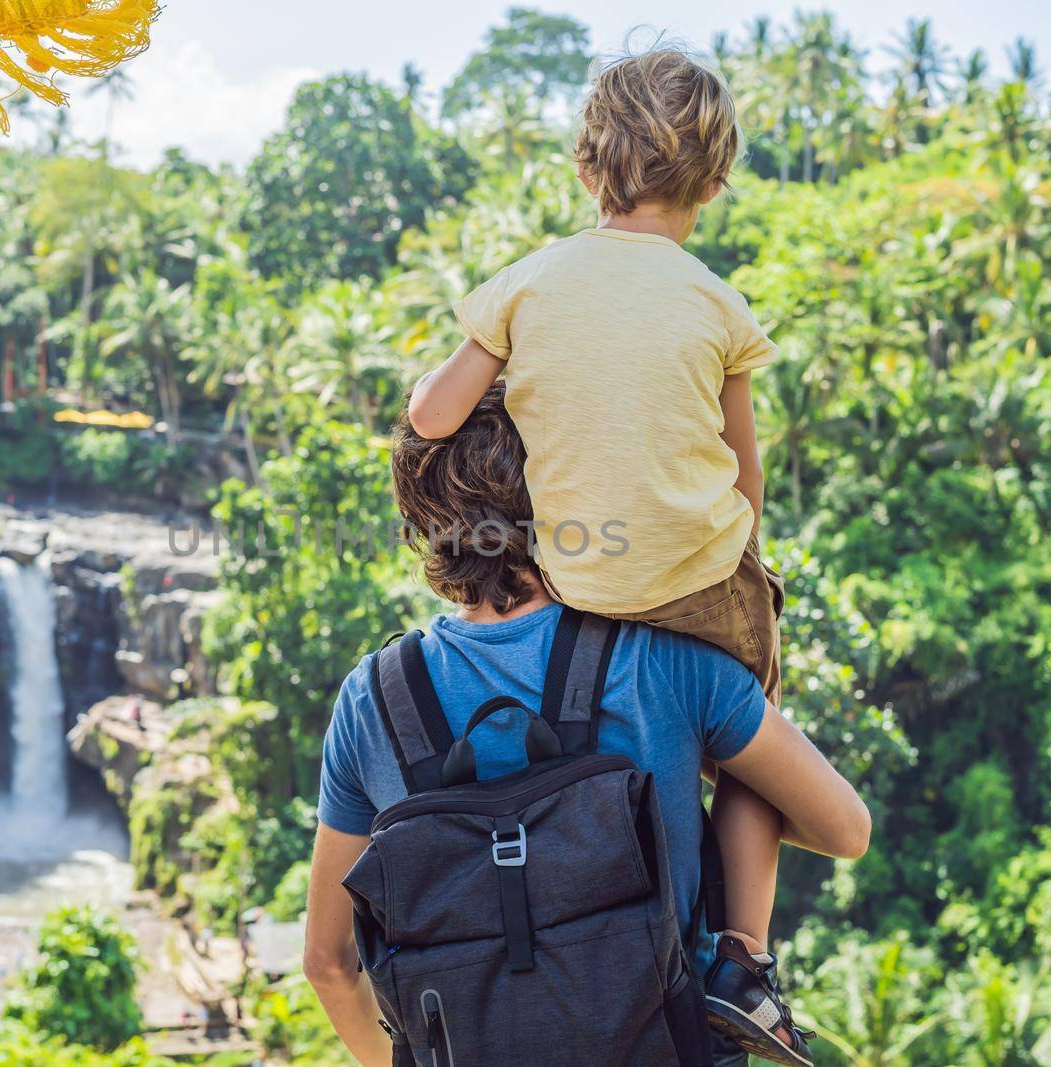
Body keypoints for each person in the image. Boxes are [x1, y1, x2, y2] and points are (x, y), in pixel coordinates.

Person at [405, 42, 810, 1063]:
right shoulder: (718, 302)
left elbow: (433, 412)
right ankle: (743, 958)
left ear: (586, 165)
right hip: (705, 579)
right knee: (750, 740)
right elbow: (745, 477)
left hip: (580, 576)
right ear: (714, 183)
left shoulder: (527, 284)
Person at [304, 387, 869, 1066]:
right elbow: (845, 828)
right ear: (571, 489)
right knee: (751, 754)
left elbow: (329, 964)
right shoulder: (664, 661)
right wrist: (746, 705)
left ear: (422, 523)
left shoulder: (373, 699)